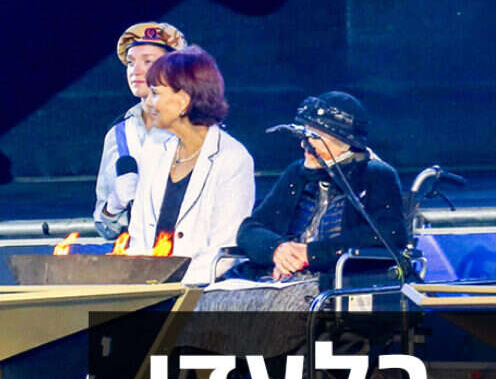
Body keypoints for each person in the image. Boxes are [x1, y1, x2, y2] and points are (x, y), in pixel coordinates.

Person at [236, 91, 407, 296]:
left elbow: (389, 234)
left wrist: (310, 254)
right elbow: (250, 229)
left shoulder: (377, 175)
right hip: (279, 279)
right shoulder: (296, 173)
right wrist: (278, 250)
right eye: (305, 136)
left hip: (336, 284)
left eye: (314, 138)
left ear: (344, 144)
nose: (305, 145)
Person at [126, 46, 255, 284]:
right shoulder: (153, 150)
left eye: (155, 93)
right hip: (147, 289)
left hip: (201, 290)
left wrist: (170, 284)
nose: (148, 103)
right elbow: (138, 235)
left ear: (183, 101)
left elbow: (225, 251)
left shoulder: (232, 159)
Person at [94, 22, 188, 240]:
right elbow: (104, 227)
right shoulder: (120, 134)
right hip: (141, 254)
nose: (135, 70)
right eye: (130, 62)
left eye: (148, 61)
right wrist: (113, 205)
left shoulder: (199, 127)